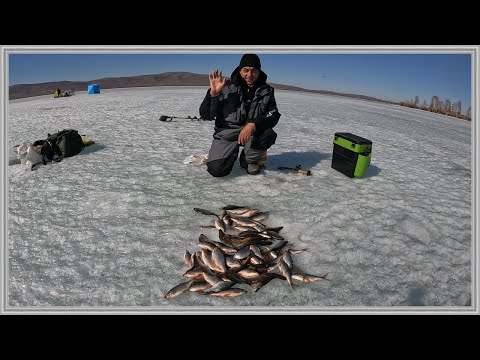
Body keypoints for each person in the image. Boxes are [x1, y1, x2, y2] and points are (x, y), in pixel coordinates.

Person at [199, 53, 281, 176]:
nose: (250, 74)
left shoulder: (267, 91)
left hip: (252, 133)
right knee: (217, 170)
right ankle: (230, 153)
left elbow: (273, 114)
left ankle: (249, 159)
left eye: (254, 71)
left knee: (268, 135)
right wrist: (213, 94)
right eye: (246, 70)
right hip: (227, 133)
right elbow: (207, 115)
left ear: (259, 72)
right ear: (240, 70)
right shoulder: (225, 87)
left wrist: (253, 124)